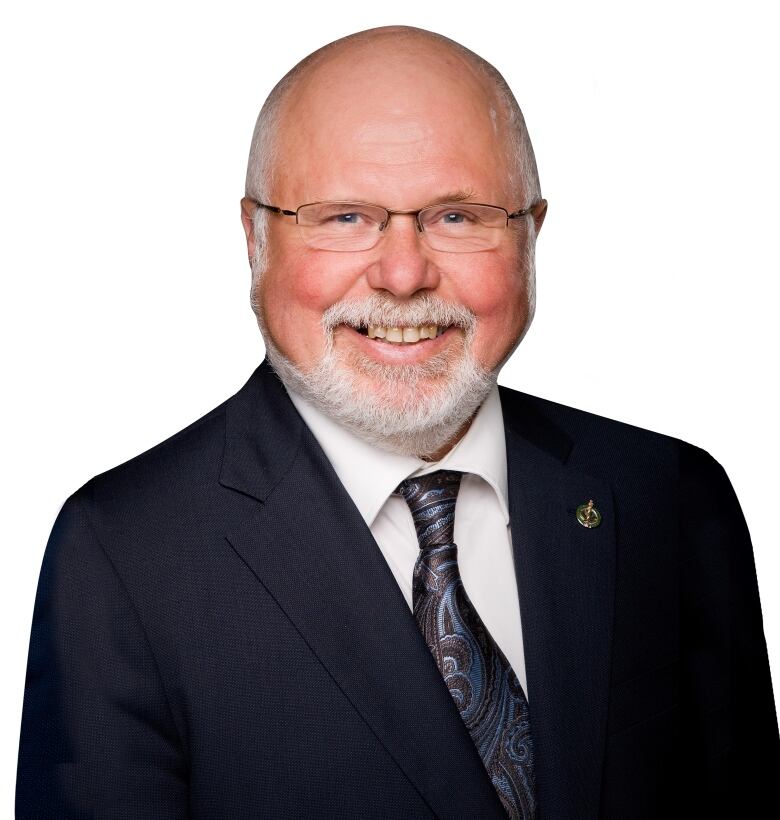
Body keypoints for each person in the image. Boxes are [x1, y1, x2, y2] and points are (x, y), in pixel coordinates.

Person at [15, 23, 779, 819]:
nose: (404, 274)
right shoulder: (124, 551)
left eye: (458, 215)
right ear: (254, 237)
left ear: (531, 235)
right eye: (344, 217)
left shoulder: (671, 496)